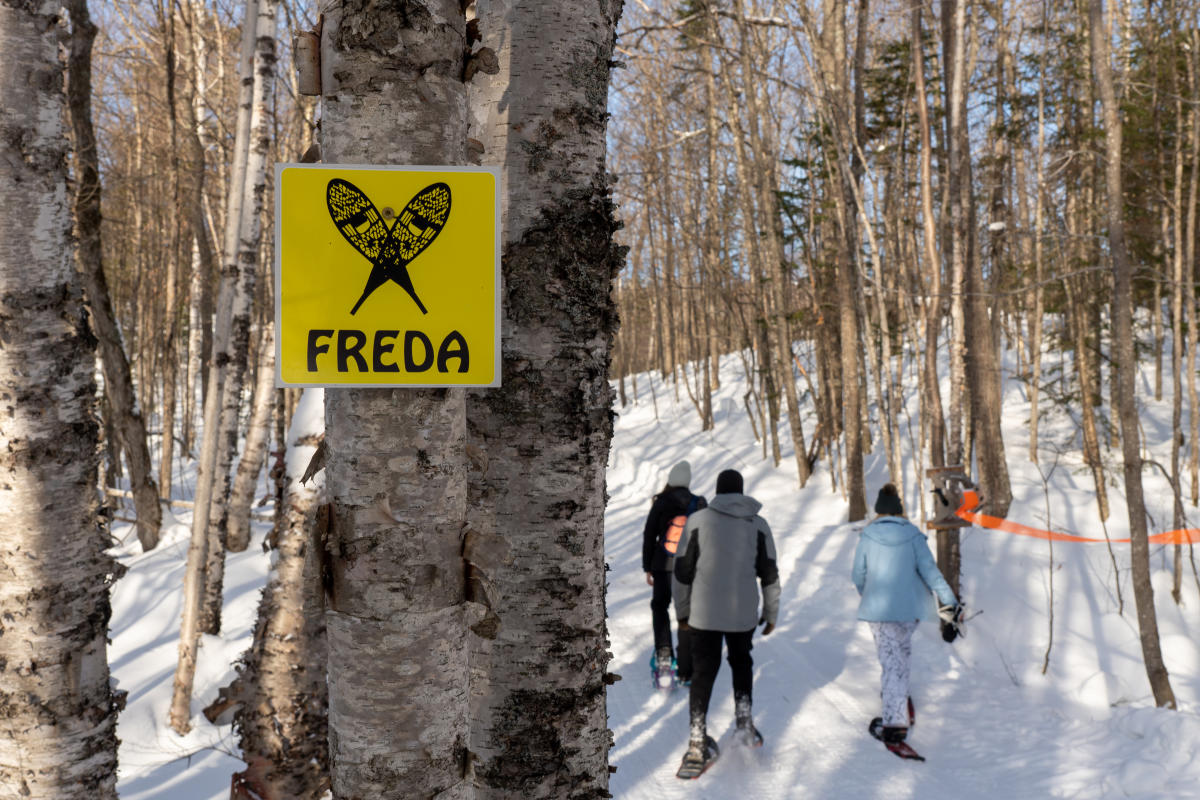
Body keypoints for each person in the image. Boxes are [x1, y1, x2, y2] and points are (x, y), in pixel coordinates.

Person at [673, 468, 779, 776]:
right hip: (743, 614)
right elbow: (770, 573)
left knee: (704, 672)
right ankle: (744, 722)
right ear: (742, 491)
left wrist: (682, 613)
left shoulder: (698, 521)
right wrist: (771, 613)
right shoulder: (758, 525)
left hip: (703, 614)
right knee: (741, 662)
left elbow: (682, 573)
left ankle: (696, 741)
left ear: (718, 492)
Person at [852, 483, 960, 752]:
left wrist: (870, 594)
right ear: (899, 510)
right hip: (909, 612)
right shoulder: (913, 536)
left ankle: (894, 725)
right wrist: (950, 603)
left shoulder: (868, 536)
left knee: (891, 663)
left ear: (878, 511)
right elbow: (932, 575)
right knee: (898, 658)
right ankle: (896, 700)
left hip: (879, 610)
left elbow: (858, 575)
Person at [642, 460, 707, 687]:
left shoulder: (661, 503)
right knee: (688, 612)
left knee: (660, 607)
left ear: (671, 479)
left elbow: (649, 536)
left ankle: (664, 655)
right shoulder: (699, 503)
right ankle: (689, 663)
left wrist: (647, 567)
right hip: (690, 567)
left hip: (663, 564)